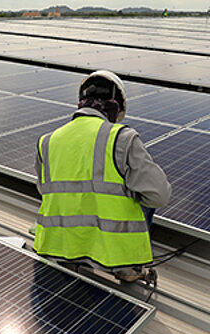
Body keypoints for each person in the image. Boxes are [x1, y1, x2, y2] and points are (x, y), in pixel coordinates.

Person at [33, 70, 171, 282]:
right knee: (145, 190)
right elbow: (159, 196)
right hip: (111, 253)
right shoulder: (122, 138)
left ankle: (72, 255)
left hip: (56, 246)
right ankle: (128, 268)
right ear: (116, 108)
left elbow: (44, 191)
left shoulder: (47, 141)